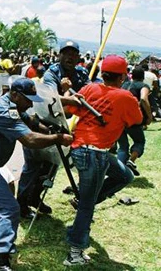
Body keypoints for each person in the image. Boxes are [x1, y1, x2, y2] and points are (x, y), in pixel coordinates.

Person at [0, 78, 74, 271]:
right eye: (27, 99)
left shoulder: (12, 105)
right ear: (14, 94)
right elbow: (29, 139)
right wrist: (58, 138)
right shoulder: (4, 112)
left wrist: (49, 129)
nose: (30, 103)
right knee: (8, 207)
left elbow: (31, 122)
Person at [63, 55, 142, 266]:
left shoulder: (90, 89)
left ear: (102, 73)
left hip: (84, 150)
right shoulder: (126, 97)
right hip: (93, 153)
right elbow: (138, 120)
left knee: (125, 175)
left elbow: (71, 108)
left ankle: (85, 202)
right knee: (87, 206)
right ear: (123, 76)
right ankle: (75, 251)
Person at [18, 40, 90, 219]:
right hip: (41, 123)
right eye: (66, 53)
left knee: (51, 165)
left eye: (73, 54)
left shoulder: (81, 73)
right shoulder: (52, 73)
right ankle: (21, 204)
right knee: (32, 165)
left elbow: (89, 91)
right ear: (59, 55)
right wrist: (67, 94)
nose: (70, 57)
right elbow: (50, 98)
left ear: (78, 57)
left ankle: (35, 198)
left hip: (64, 125)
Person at [117, 67, 152, 176]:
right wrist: (149, 115)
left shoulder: (125, 85)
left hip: (119, 119)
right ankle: (131, 161)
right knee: (139, 141)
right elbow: (143, 99)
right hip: (133, 119)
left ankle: (119, 170)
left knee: (123, 146)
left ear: (132, 75)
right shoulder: (143, 86)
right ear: (143, 77)